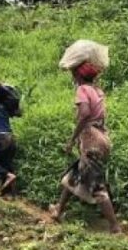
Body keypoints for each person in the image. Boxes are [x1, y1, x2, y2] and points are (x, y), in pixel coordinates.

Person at [48, 62, 122, 234]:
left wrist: (72, 139)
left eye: (74, 73)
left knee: (97, 186)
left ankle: (114, 227)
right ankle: (58, 210)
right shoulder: (97, 91)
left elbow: (85, 114)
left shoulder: (82, 90)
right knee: (73, 175)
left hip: (92, 141)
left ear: (78, 76)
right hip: (102, 138)